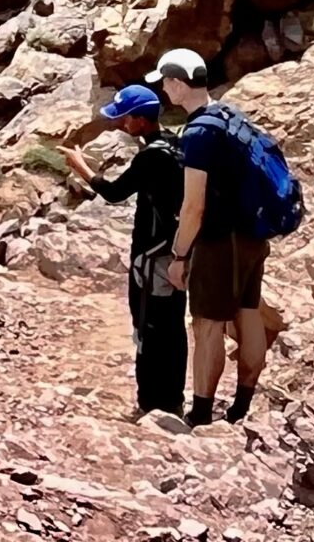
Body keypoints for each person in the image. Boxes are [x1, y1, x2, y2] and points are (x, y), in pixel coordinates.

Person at [151, 47, 268, 426]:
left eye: (166, 83)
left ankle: (201, 413)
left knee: (207, 324)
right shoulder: (230, 115)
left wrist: (179, 255)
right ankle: (241, 407)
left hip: (220, 240)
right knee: (248, 314)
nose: (164, 91)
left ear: (177, 83)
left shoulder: (199, 133)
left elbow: (193, 207)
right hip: (253, 234)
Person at [66, 83, 187, 418]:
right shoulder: (176, 144)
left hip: (150, 257)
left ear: (140, 120)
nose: (120, 124)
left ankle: (151, 404)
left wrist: (82, 167)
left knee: (147, 325)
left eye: (124, 118)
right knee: (174, 324)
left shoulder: (151, 157)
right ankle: (173, 399)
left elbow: (115, 192)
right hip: (178, 252)